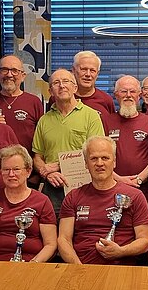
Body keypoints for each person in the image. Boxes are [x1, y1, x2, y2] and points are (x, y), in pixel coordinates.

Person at [0, 145, 57, 286]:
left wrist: (33, 265)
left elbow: (50, 244)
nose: (11, 174)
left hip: (30, 267)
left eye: (16, 169)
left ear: (28, 171)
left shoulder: (42, 201)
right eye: (6, 169)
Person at [58, 136, 148, 265]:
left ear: (114, 162)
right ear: (86, 163)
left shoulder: (135, 196)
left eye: (105, 158)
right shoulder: (73, 197)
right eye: (93, 158)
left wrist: (121, 251)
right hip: (81, 268)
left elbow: (145, 240)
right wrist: (78, 267)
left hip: (122, 270)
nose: (99, 163)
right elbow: (63, 239)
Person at [32, 69, 104, 216]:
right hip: (53, 186)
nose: (62, 86)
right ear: (50, 91)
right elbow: (37, 156)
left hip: (83, 183)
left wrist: (59, 165)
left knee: (84, 225)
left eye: (66, 81)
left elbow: (96, 152)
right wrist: (47, 174)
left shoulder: (91, 116)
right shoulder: (44, 120)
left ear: (75, 87)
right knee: (53, 226)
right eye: (56, 83)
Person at [103, 75, 148, 210]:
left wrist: (139, 179)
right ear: (116, 95)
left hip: (144, 191)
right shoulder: (105, 121)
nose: (128, 95)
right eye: (123, 91)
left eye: (132, 91)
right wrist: (119, 179)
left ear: (139, 95)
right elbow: (99, 156)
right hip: (112, 190)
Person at [0, 55, 44, 156]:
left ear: (23, 76)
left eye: (14, 70)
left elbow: (42, 137)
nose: (9, 74)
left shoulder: (34, 102)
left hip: (27, 162)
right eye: (4, 70)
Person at [70, 51, 115, 116]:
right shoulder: (62, 98)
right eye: (84, 69)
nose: (88, 74)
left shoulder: (106, 100)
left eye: (92, 70)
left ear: (97, 73)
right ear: (74, 70)